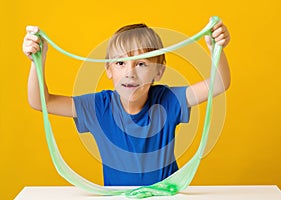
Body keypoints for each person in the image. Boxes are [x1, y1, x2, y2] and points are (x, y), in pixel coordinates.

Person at [22, 18, 231, 186]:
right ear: (108, 70)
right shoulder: (98, 106)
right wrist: (37, 60)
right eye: (120, 63)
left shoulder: (168, 100)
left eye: (141, 64)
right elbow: (41, 102)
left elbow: (219, 83)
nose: (130, 73)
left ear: (159, 71)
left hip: (167, 196)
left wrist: (216, 50)